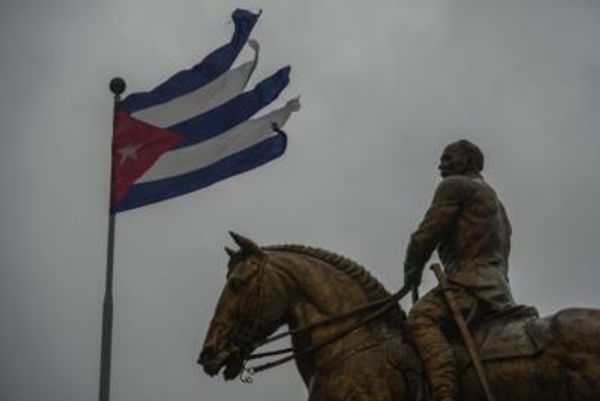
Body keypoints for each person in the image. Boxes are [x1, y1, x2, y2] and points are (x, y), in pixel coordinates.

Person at [403, 140, 516, 401]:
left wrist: (411, 274)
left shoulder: (455, 186)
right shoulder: (498, 205)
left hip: (469, 283)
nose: (441, 164)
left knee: (419, 320)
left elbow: (425, 237)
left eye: (448, 158)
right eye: (442, 159)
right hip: (498, 289)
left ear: (469, 161)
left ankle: (445, 392)